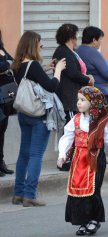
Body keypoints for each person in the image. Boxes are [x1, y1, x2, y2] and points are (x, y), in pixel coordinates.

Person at [57, 86, 108, 236]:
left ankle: (94, 220)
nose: (79, 103)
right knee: (78, 189)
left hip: (95, 158)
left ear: (93, 102)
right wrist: (62, 154)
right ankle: (83, 220)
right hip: (78, 159)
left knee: (93, 189)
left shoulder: (102, 121)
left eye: (83, 100)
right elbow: (67, 137)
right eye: (78, 100)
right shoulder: (75, 119)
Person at [11, 31, 66, 206]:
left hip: (24, 114)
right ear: (33, 45)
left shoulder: (18, 64)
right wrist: (57, 71)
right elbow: (51, 87)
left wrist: (47, 69)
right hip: (38, 116)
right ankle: (30, 195)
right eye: (40, 43)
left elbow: (31, 79)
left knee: (24, 154)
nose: (42, 46)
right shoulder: (33, 65)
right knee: (36, 155)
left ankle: (18, 194)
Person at [53, 23, 95, 124]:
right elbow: (73, 73)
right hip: (69, 99)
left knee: (74, 130)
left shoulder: (69, 51)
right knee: (71, 129)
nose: (78, 38)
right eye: (77, 35)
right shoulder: (63, 52)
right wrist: (88, 80)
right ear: (72, 37)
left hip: (74, 96)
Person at [77, 26, 108, 102]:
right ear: (94, 40)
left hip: (84, 91)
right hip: (99, 91)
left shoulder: (78, 50)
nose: (101, 42)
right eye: (100, 39)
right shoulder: (93, 53)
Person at [0, 29, 15, 177]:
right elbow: (7, 64)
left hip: (7, 94)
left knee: (2, 129)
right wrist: (6, 66)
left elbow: (13, 61)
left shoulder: (2, 48)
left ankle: (1, 162)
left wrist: (7, 65)